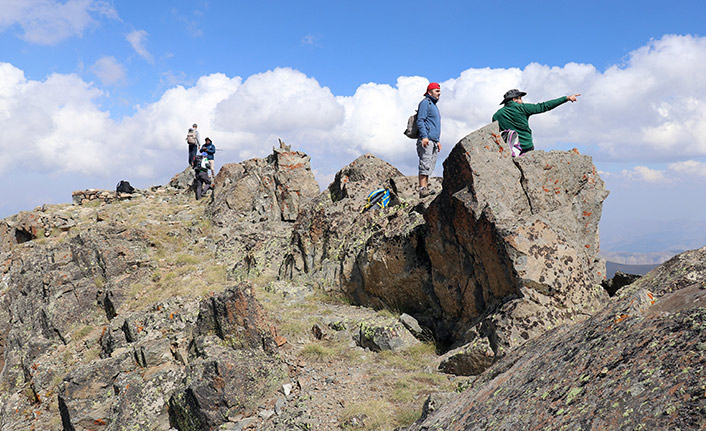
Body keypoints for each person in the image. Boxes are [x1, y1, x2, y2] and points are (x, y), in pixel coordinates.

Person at [492, 89, 581, 155]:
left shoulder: (496, 115)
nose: (522, 101)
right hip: (526, 147)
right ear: (514, 99)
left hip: (510, 150)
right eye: (520, 98)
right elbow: (544, 106)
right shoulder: (522, 108)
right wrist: (566, 98)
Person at [416, 82, 442, 198]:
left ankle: (425, 189)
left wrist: (437, 141)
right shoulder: (425, 103)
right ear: (430, 92)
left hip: (433, 140)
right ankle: (422, 189)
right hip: (426, 139)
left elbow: (433, 124)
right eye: (437, 91)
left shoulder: (433, 105)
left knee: (429, 166)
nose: (439, 93)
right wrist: (424, 136)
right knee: (425, 163)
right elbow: (420, 120)